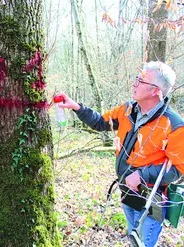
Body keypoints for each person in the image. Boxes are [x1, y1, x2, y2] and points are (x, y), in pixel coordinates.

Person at [57, 61, 184, 246]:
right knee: (134, 240)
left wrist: (141, 175)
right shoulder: (128, 110)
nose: (134, 84)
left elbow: (179, 169)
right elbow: (101, 122)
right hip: (126, 193)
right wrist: (77, 107)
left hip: (151, 202)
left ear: (155, 90)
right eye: (136, 79)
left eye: (141, 81)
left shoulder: (173, 124)